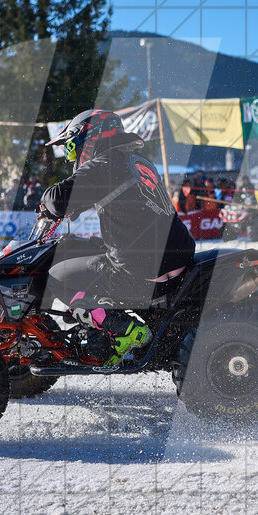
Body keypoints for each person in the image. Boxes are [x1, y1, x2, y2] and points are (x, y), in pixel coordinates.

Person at [41, 109, 196, 367]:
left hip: (140, 273)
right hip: (176, 262)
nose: (71, 157)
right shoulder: (137, 161)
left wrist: (44, 203)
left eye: (71, 149)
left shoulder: (103, 164)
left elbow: (58, 200)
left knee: (57, 276)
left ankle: (123, 330)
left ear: (86, 139)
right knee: (93, 252)